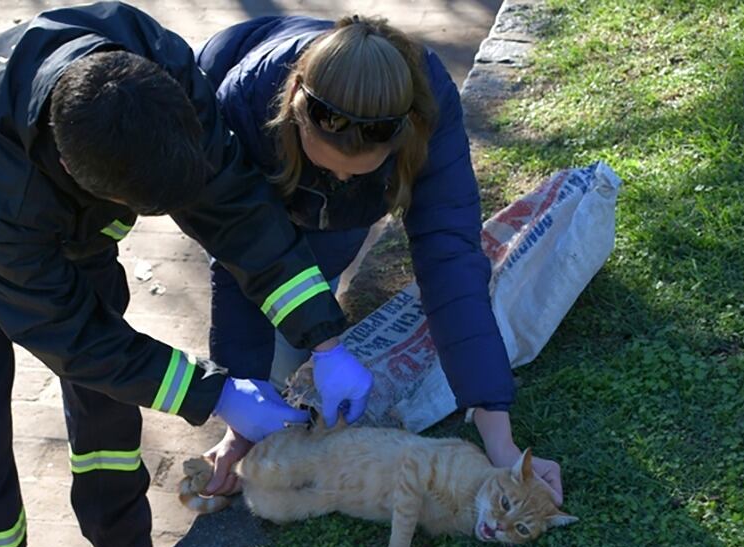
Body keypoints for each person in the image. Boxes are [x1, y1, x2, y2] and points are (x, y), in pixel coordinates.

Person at [0, 3, 372, 547]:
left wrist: (324, 338)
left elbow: (233, 204)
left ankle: (124, 545)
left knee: (109, 398)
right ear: (72, 170)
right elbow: (70, 335)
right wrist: (212, 392)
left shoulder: (149, 57)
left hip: (64, 205)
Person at [195, 15, 565, 503]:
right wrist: (238, 411)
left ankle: (302, 350)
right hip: (243, 129)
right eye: (330, 166)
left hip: (335, 212)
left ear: (401, 139)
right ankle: (266, 398)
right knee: (266, 299)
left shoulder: (428, 110)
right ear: (295, 114)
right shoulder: (240, 105)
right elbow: (242, 255)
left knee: (312, 284)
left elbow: (449, 261)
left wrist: (500, 438)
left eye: (358, 173)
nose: (343, 180)